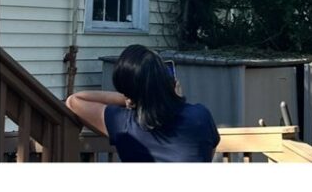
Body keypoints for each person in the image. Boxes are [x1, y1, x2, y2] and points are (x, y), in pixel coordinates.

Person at [65, 44, 220, 162]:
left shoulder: (124, 124)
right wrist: (167, 96)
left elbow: (75, 101)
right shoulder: (201, 116)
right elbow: (208, 155)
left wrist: (130, 99)